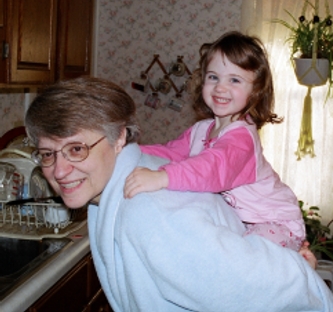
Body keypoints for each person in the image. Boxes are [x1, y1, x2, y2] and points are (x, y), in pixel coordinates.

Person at [25, 77, 333, 312]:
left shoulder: (150, 214)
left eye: (76, 149)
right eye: (48, 154)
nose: (60, 170)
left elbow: (251, 288)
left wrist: (297, 271)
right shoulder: (126, 183)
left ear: (119, 137)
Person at [124, 31, 314, 264]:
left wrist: (162, 178)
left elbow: (211, 168)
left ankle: (299, 269)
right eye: (213, 77)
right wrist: (129, 151)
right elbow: (170, 152)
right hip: (242, 220)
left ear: (255, 90)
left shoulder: (242, 137)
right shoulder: (201, 130)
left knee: (242, 262)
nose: (220, 88)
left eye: (234, 80)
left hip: (275, 222)